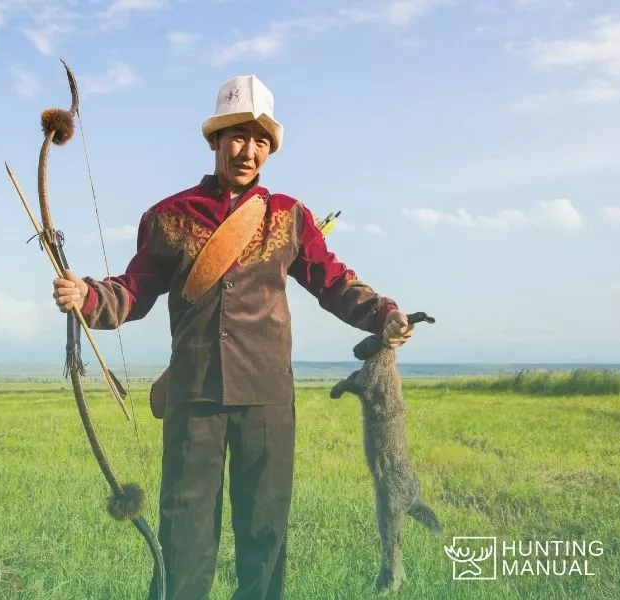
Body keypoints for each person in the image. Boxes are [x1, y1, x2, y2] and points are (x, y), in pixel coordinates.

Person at [52, 74, 414, 600]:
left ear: (270, 149)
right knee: (183, 536)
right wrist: (86, 295)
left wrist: (384, 314)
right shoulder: (168, 217)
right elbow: (134, 290)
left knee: (264, 533)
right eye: (238, 137)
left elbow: (332, 280)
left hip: (267, 398)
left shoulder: (289, 217)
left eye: (261, 140)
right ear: (215, 141)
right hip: (192, 396)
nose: (249, 151)